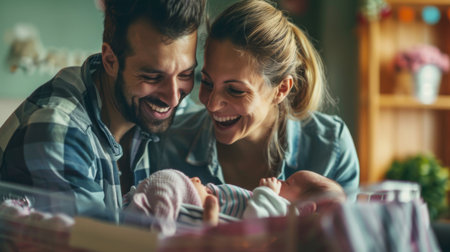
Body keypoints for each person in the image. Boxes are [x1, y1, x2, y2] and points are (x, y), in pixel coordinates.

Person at [0, 0, 206, 214]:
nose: (173, 98)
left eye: (185, 74)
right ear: (110, 61)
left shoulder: (149, 106)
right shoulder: (57, 131)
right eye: (152, 77)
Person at [148, 0, 360, 191]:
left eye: (235, 90)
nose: (211, 104)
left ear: (281, 89)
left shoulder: (330, 150)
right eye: (207, 82)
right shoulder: (169, 144)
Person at [126, 169, 346, 235]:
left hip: (189, 204)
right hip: (190, 196)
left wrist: (269, 194)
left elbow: (254, 227)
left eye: (288, 183)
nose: (279, 181)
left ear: (306, 209)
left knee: (167, 182)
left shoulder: (284, 219)